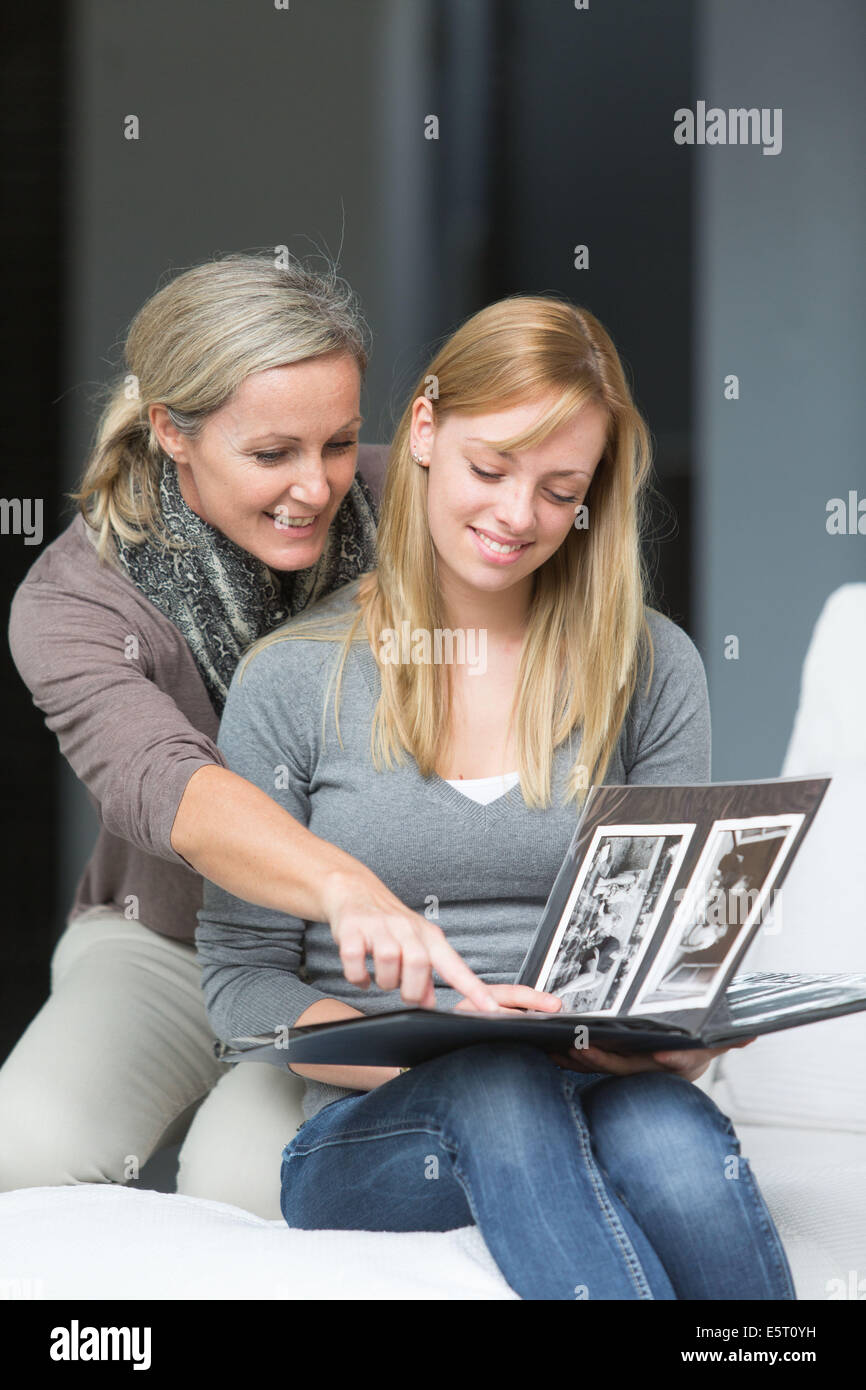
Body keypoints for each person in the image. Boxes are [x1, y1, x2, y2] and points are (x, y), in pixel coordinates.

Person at [195, 294, 794, 1300]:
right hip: (380, 1122)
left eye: (560, 490)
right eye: (490, 469)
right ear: (424, 429)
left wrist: (670, 1032)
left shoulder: (650, 666)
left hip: (596, 1083)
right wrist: (434, 1044)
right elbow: (239, 983)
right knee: (496, 1082)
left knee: (675, 1146)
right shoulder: (293, 677)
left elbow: (666, 943)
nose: (517, 517)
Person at [0, 252, 498, 1215]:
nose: (316, 487)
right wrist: (344, 885)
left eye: (341, 444)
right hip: (172, 941)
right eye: (272, 455)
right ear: (170, 433)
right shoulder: (73, 600)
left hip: (370, 963)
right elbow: (168, 785)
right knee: (23, 1145)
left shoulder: (418, 515)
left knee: (253, 1182)